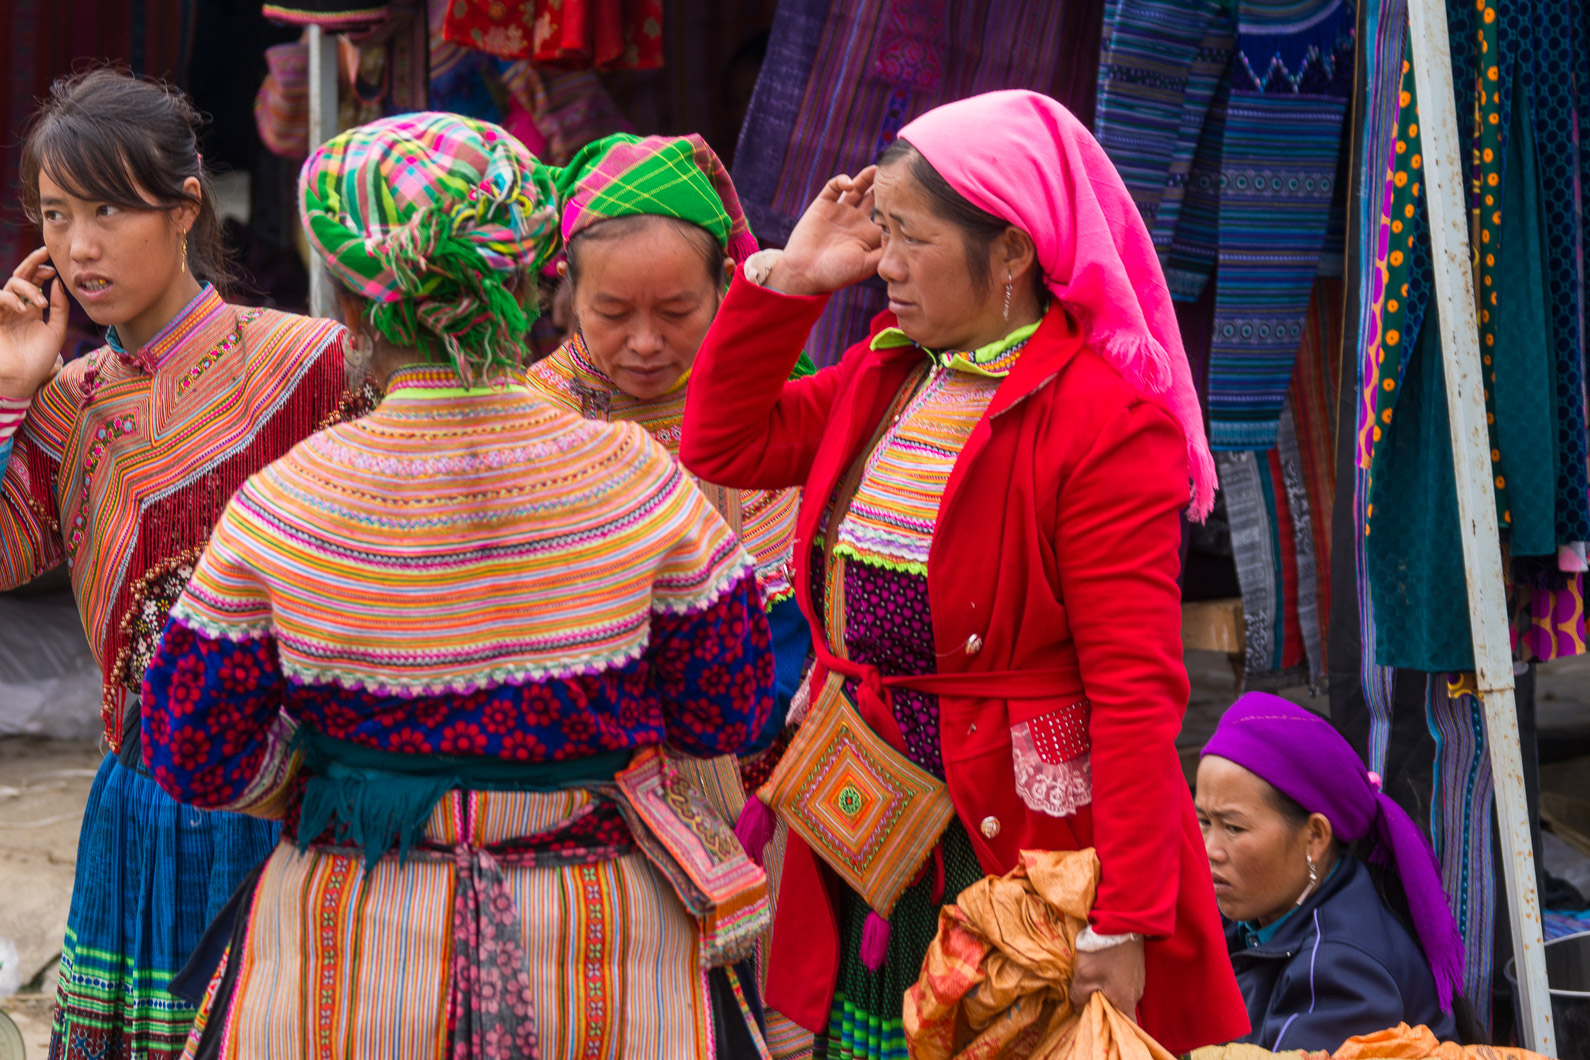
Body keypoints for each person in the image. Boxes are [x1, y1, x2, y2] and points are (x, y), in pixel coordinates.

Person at [140, 111, 779, 1058]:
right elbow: (723, 711)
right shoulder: (640, 482)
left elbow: (192, 747)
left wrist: (353, 783)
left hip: (346, 949)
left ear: (355, 308)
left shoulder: (286, 503)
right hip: (604, 950)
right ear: (528, 288)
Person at [680, 88, 1248, 1057]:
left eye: (911, 238)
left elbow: (1135, 690)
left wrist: (1127, 916)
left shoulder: (1105, 427)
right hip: (875, 834)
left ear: (1014, 254)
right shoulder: (890, 373)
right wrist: (792, 277)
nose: (884, 265)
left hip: (1017, 854)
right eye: (880, 233)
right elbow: (724, 439)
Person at [0, 69, 366, 1060]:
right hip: (142, 810)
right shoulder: (65, 406)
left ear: (185, 204)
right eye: (56, 215)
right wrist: (6, 390)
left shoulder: (311, 366)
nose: (79, 248)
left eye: (109, 209)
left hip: (301, 803)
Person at [527, 130, 815, 1056]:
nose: (644, 343)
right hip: (603, 816)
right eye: (611, 310)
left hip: (781, 801)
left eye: (678, 309)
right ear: (564, 286)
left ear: (728, 286)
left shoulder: (786, 407)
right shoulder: (529, 425)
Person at [1198, 692, 1463, 1051]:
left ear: (1315, 837)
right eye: (1203, 820)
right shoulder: (1255, 908)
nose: (1209, 849)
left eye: (1233, 828)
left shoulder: (1342, 970)